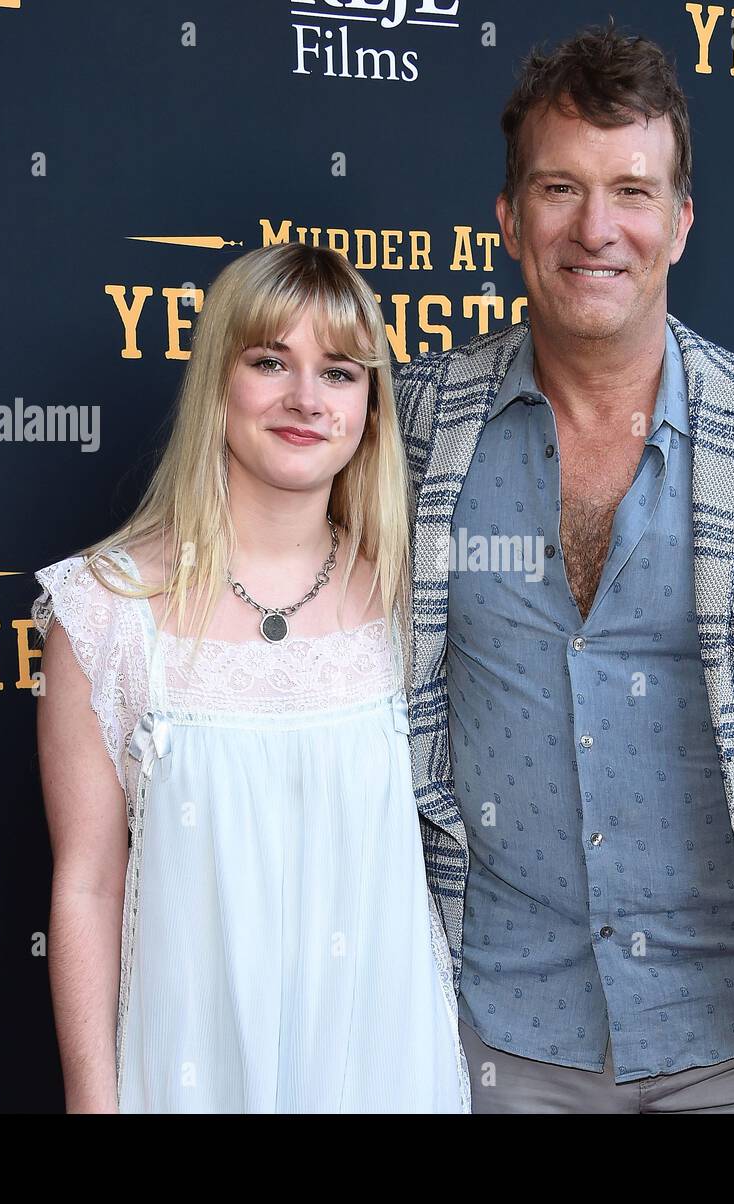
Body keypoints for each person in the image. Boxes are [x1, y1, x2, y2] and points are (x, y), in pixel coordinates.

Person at [394, 24, 734, 1114]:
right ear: (508, 218)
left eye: (632, 192)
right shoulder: (413, 423)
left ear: (681, 223)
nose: (596, 228)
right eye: (559, 188)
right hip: (495, 1038)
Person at [31, 242, 469, 1113]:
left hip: (386, 1069)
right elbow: (86, 882)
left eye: (340, 373)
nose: (306, 399)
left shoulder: (416, 596)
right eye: (271, 362)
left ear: (370, 408)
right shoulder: (105, 610)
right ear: (218, 382)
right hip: (192, 1068)